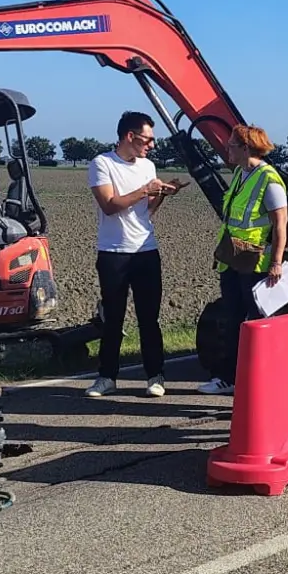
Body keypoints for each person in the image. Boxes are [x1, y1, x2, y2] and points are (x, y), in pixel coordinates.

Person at [87, 112, 183, 398]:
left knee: (149, 318)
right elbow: (110, 205)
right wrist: (145, 190)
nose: (151, 145)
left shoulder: (147, 166)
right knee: (113, 317)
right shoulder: (101, 164)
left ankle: (155, 375)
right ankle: (107, 377)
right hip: (114, 252)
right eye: (147, 139)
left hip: (146, 250)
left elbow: (147, 211)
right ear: (130, 136)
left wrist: (163, 193)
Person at [197, 124, 288, 396]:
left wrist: (277, 262)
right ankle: (229, 377)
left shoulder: (268, 180)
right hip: (233, 258)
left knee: (256, 322)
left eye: (232, 146)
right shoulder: (241, 174)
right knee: (233, 317)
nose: (227, 150)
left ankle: (261, 379)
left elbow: (280, 223)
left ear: (246, 148)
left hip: (255, 263)